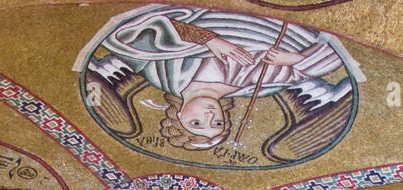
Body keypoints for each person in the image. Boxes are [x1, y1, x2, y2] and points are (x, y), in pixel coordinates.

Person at [91, 4, 351, 150]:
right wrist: (292, 60)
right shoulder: (256, 85)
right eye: (216, 124)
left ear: (178, 114)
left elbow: (131, 34)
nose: (209, 117)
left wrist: (210, 40)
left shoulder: (163, 74)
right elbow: (336, 58)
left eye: (196, 123)